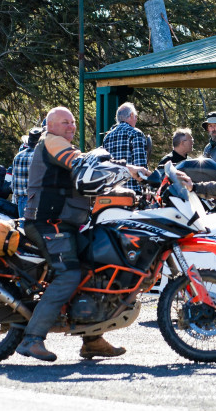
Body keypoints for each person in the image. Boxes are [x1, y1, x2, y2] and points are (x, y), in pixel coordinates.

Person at [17, 107, 146, 362]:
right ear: (50, 125)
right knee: (69, 274)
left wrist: (131, 178)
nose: (71, 126)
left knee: (93, 270)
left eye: (72, 122)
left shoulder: (63, 145)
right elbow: (82, 163)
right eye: (64, 122)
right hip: (49, 224)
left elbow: (87, 169)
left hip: (66, 225)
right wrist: (128, 170)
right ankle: (32, 339)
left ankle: (92, 339)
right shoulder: (52, 142)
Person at [102, 102, 148, 191]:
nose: (136, 120)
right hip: (132, 192)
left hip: (111, 191)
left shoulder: (107, 137)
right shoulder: (136, 133)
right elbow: (140, 168)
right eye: (136, 116)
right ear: (131, 115)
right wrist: (146, 188)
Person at [11, 125, 43, 222]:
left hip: (21, 199)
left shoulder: (18, 156)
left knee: (23, 227)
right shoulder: (40, 156)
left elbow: (13, 183)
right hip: (36, 199)